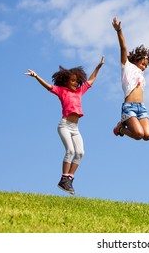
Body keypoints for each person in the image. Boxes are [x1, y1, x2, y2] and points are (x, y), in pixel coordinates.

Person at [25, 56, 105, 194]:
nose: (75, 83)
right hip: (64, 125)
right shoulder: (61, 91)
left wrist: (98, 67)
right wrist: (36, 76)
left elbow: (91, 80)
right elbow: (48, 86)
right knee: (70, 151)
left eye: (76, 81)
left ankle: (69, 179)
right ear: (66, 81)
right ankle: (63, 179)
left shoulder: (80, 91)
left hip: (75, 128)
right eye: (72, 80)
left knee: (80, 153)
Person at [111, 16, 149, 140]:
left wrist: (146, 56)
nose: (144, 67)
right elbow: (123, 48)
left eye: (146, 66)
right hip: (129, 107)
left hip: (141, 107)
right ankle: (120, 128)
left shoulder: (141, 74)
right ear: (135, 61)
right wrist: (118, 30)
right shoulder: (126, 67)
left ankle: (124, 126)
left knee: (147, 135)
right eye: (143, 64)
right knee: (138, 135)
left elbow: (144, 62)